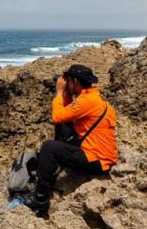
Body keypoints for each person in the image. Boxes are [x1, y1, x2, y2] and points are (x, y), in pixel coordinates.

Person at [23, 64, 118, 213]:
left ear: (75, 81)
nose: (65, 82)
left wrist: (60, 93)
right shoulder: (91, 96)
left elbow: (56, 116)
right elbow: (65, 115)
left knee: (49, 147)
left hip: (97, 160)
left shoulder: (87, 101)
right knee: (64, 126)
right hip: (99, 153)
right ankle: (54, 164)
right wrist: (67, 94)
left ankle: (40, 198)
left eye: (68, 80)